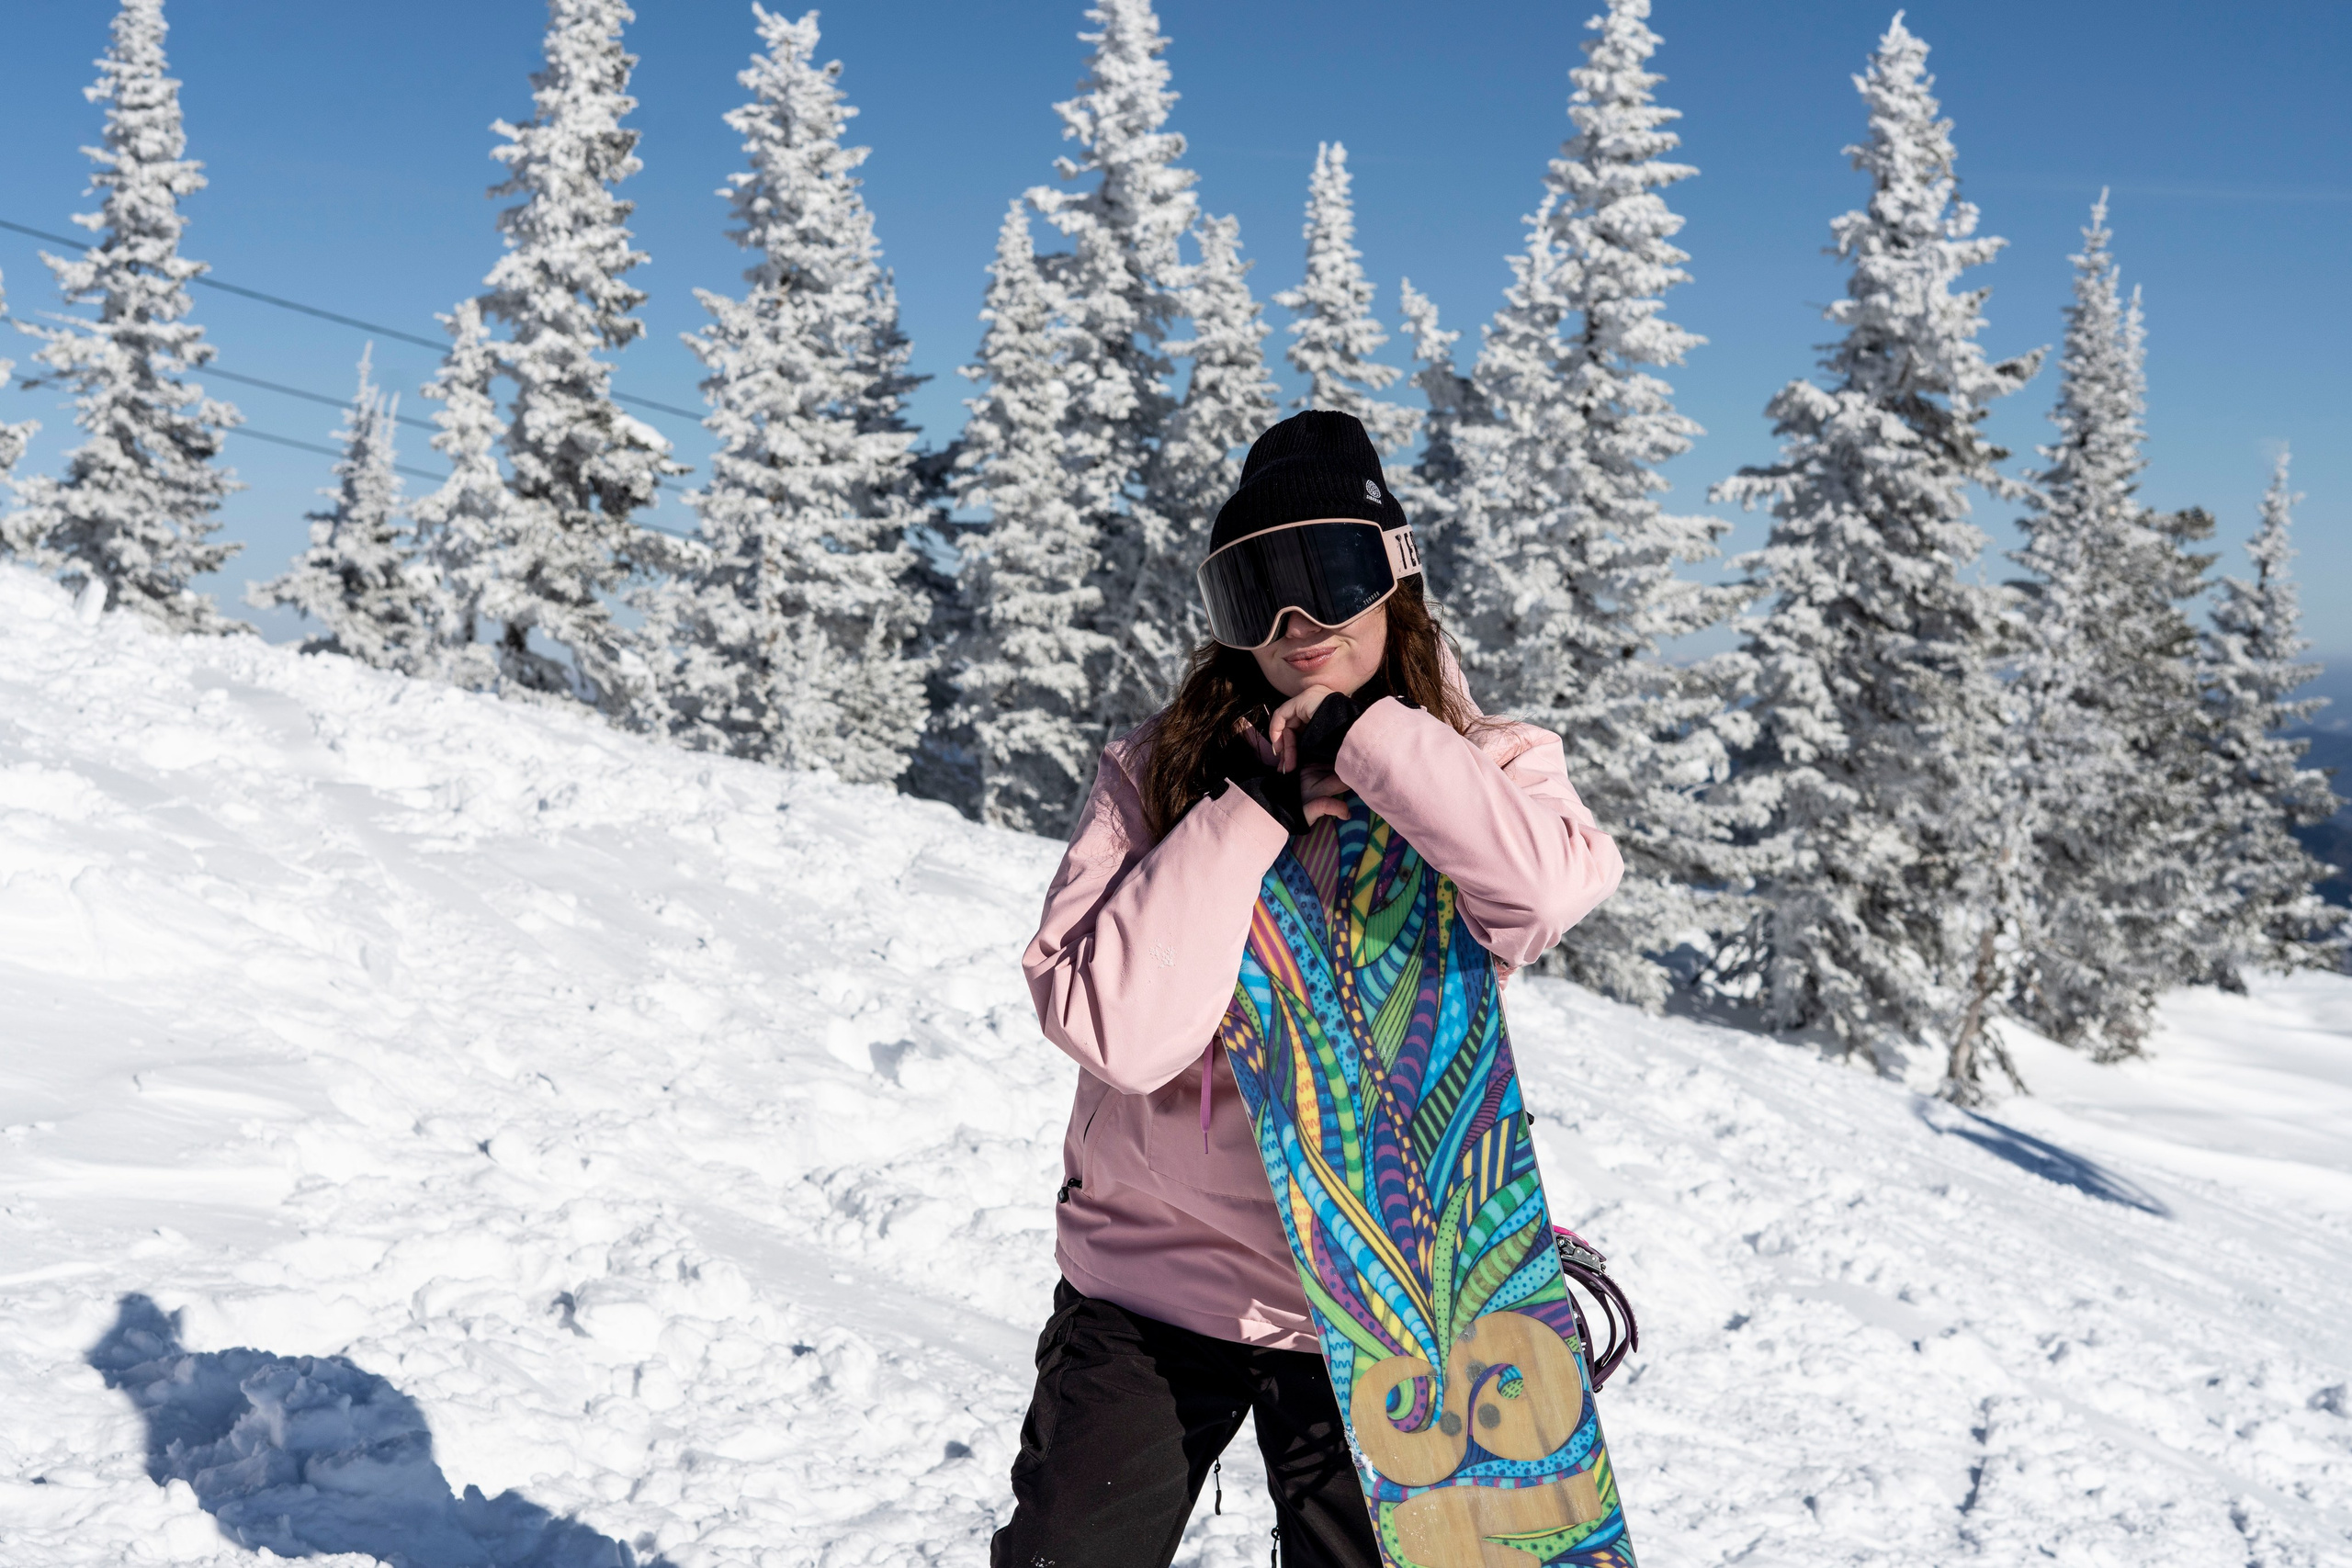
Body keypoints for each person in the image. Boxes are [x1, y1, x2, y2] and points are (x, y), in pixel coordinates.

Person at [992, 411, 1623, 1568]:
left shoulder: (1486, 764)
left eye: (1325, 577)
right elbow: (1116, 1035)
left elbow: (1537, 896)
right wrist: (1245, 814)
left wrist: (1374, 742)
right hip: (1151, 1272)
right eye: (1255, 595)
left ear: (1396, 575)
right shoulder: (1159, 772)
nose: (1296, 627)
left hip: (1386, 1302)